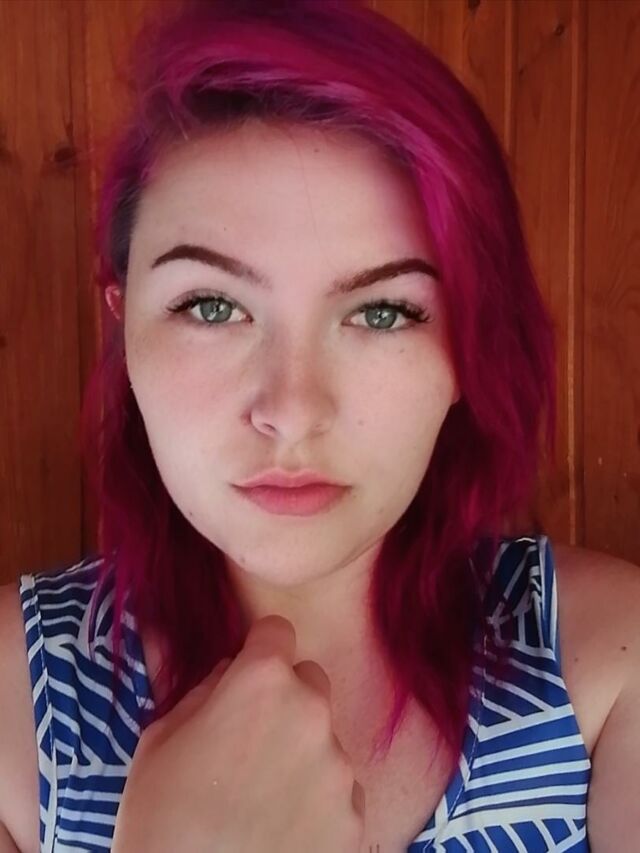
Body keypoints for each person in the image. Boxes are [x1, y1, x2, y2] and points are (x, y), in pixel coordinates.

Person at [1, 0, 639, 850]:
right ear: (125, 327)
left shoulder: (611, 669)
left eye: (382, 312)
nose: (293, 410)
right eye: (211, 305)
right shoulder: (11, 708)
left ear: (467, 349)